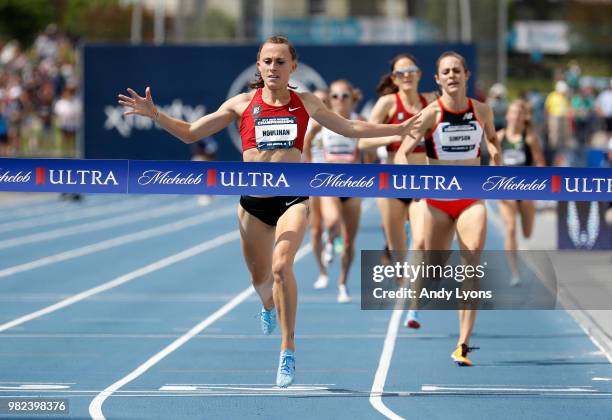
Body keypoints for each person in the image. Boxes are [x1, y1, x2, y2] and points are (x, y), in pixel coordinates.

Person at [118, 35, 417, 387]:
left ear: (293, 66)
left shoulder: (306, 102)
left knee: (280, 268)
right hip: (253, 204)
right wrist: (155, 114)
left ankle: (287, 350)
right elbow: (190, 133)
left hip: (293, 198)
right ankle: (267, 304)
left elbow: (350, 128)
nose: (273, 67)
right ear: (258, 66)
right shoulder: (242, 104)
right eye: (267, 61)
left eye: (280, 61)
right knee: (262, 281)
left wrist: (398, 128)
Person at [397, 51, 501, 367]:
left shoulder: (482, 110)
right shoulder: (431, 113)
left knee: (471, 267)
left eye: (457, 70)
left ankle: (463, 344)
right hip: (437, 201)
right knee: (437, 269)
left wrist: (496, 159)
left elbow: (493, 140)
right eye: (446, 71)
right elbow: (403, 152)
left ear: (466, 75)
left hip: (471, 198)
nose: (452, 75)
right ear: (438, 79)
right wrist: (412, 181)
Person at [359, 53, 437, 328]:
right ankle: (404, 282)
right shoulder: (388, 103)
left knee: (421, 242)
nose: (407, 76)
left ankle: (413, 309)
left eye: (411, 70)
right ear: (394, 78)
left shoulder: (431, 103)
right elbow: (362, 142)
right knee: (398, 251)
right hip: (392, 184)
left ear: (419, 74)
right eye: (401, 72)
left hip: (423, 184)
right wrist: (396, 135)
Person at [304, 79, 364, 303]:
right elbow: (307, 142)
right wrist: (310, 167)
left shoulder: (359, 121)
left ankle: (342, 283)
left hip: (354, 186)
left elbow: (368, 148)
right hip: (328, 183)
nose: (339, 100)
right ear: (330, 99)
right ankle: (329, 245)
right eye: (335, 96)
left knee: (349, 243)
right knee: (329, 223)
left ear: (351, 98)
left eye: (344, 96)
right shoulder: (322, 123)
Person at [497, 100, 545, 286]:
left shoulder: (530, 138)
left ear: (524, 117)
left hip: (526, 191)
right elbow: (493, 164)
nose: (516, 116)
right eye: (513, 112)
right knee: (510, 229)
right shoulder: (500, 137)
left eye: (519, 113)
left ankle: (518, 262)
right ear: (507, 115)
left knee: (526, 233)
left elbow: (541, 163)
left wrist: (537, 183)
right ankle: (514, 272)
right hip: (505, 190)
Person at [302, 89, 330, 291]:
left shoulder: (333, 122)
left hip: (331, 180)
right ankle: (321, 272)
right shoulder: (304, 123)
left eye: (324, 100)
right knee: (315, 229)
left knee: (334, 221)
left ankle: (332, 239)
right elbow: (302, 152)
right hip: (311, 180)